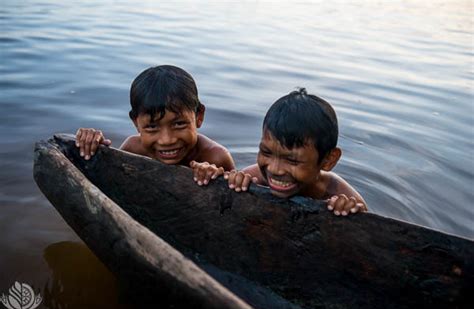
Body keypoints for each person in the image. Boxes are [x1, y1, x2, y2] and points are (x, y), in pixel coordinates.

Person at [193, 88, 367, 216]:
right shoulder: (254, 178)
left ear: (328, 160)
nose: (275, 169)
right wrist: (229, 180)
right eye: (266, 153)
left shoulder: (341, 196)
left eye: (292, 161)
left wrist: (348, 212)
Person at [75, 65, 235, 174]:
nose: (166, 140)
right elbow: (113, 180)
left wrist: (216, 177)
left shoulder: (216, 158)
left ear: (199, 116)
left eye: (179, 124)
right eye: (152, 127)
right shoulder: (133, 149)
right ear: (136, 123)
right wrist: (93, 149)